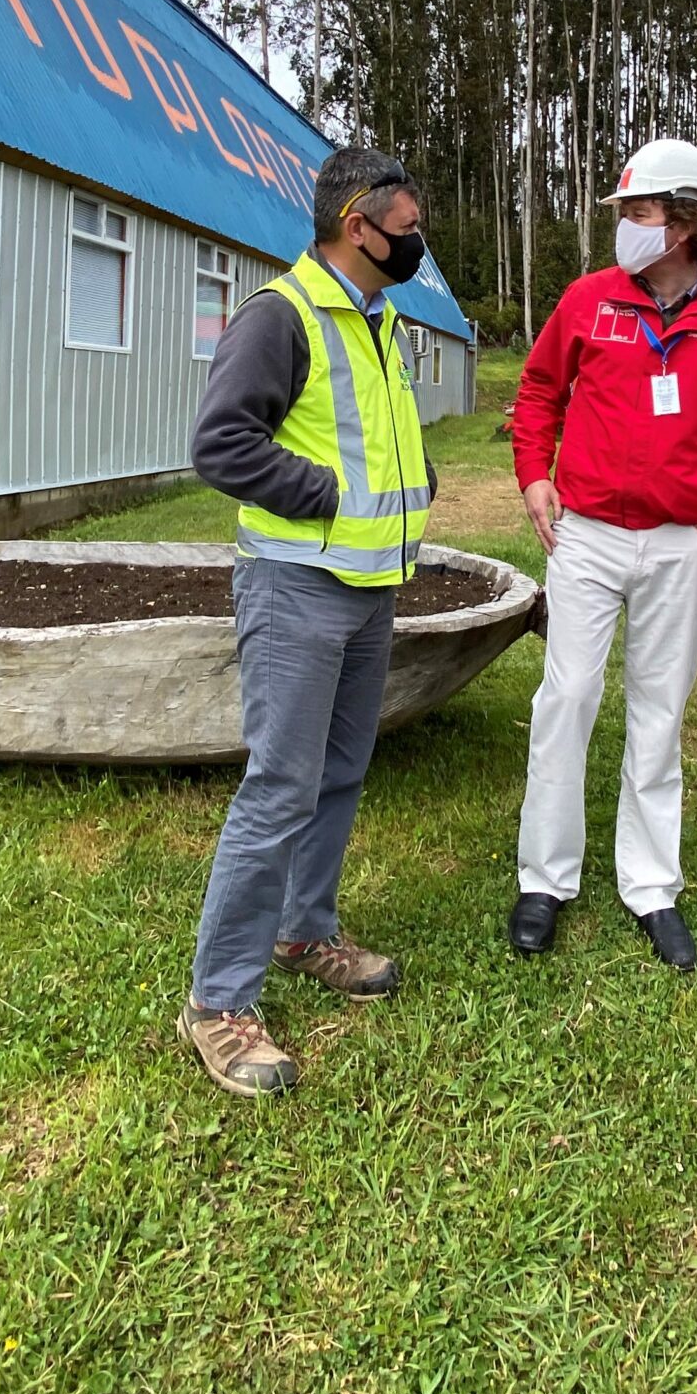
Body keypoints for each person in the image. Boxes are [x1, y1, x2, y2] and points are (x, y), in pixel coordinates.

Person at [177, 145, 435, 1097]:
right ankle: (216, 1003)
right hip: (296, 587)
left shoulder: (378, 315)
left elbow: (369, 433)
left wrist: (417, 486)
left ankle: (304, 931)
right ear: (355, 226)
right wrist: (323, 496)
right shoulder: (279, 318)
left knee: (337, 772)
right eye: (405, 231)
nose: (416, 245)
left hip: (370, 586)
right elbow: (220, 443)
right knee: (280, 787)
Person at [507, 139, 697, 970]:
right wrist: (532, 476)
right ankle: (544, 880)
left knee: (658, 713)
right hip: (585, 533)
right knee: (568, 699)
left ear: (689, 220)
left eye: (640, 212)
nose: (626, 227)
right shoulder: (590, 300)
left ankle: (651, 885)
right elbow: (540, 390)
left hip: (679, 545)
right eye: (624, 213)